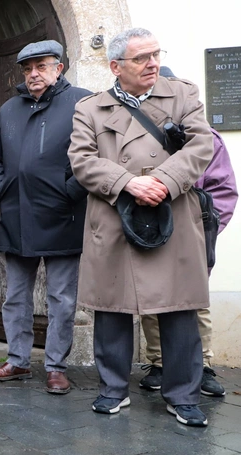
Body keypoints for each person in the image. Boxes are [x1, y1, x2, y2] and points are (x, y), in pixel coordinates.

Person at [68, 28, 214, 426]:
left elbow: (201, 145)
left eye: (155, 54)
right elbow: (81, 160)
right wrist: (128, 183)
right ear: (116, 66)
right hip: (115, 215)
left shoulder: (183, 94)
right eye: (141, 58)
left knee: (179, 308)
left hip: (172, 214)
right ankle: (113, 389)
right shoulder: (90, 108)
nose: (153, 63)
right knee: (112, 308)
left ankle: (183, 395)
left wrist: (163, 181)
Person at [0, 40, 91, 394]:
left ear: (59, 68)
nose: (33, 74)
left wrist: (69, 191)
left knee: (61, 298)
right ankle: (17, 360)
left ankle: (56, 367)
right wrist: (0, 190)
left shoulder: (81, 102)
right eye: (27, 69)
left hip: (63, 216)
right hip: (17, 215)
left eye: (41, 66)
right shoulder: (9, 110)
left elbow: (94, 155)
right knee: (15, 296)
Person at [139, 66, 238, 397]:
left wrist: (206, 227)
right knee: (151, 296)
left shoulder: (205, 136)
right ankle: (159, 363)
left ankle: (203, 365)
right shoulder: (137, 135)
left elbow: (223, 189)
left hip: (193, 231)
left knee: (195, 299)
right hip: (152, 228)